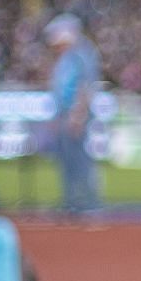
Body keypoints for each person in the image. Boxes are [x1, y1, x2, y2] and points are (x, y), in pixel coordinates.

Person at [44, 15, 103, 219]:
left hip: (75, 116)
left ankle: (88, 203)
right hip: (65, 115)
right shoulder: (67, 58)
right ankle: (71, 202)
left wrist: (77, 116)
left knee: (79, 161)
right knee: (67, 161)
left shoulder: (81, 55)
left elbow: (85, 87)